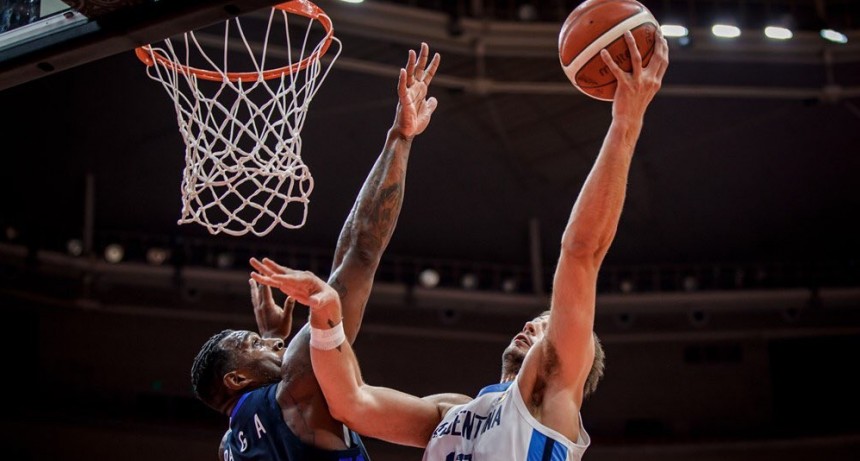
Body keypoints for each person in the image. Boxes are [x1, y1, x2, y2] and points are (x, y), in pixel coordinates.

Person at [250, 31, 669, 460]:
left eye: (549, 323)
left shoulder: (550, 400)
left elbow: (581, 253)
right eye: (539, 318)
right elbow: (351, 402)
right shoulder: (452, 413)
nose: (533, 325)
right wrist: (326, 316)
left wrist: (626, 122)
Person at [189, 43, 461, 461]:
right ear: (237, 378)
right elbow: (360, 250)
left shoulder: (230, 444)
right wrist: (400, 137)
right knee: (453, 413)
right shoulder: (297, 386)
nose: (274, 345)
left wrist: (274, 338)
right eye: (253, 344)